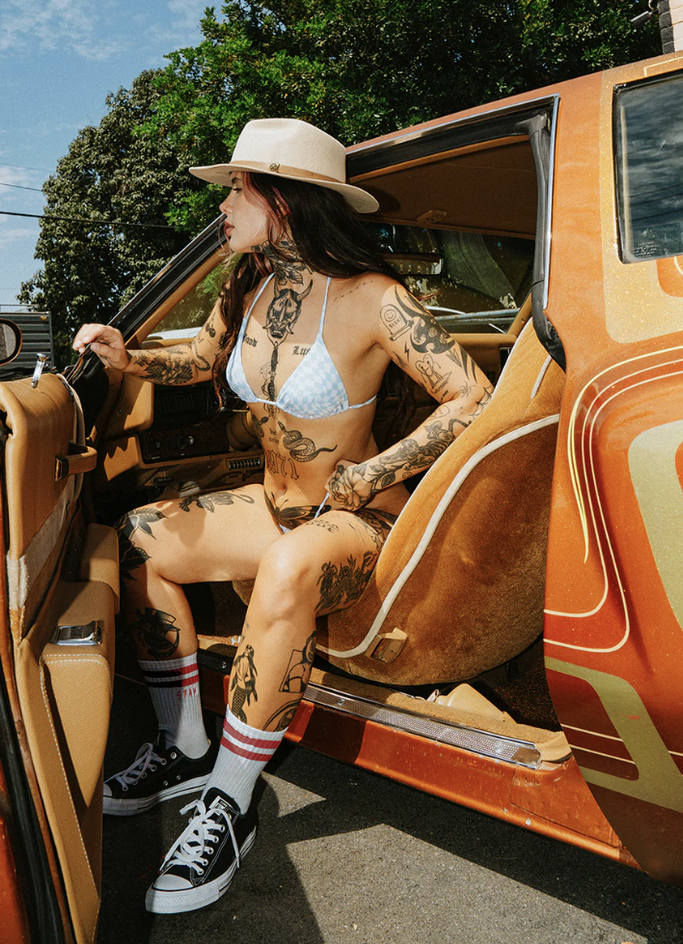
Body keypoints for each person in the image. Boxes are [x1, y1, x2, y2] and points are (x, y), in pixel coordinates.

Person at [73, 117, 493, 914]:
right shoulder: (247, 285)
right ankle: (183, 746)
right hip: (274, 504)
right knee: (136, 541)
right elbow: (201, 359)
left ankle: (229, 803)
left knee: (287, 566)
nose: (223, 205)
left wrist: (374, 471)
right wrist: (128, 358)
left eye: (237, 189)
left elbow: (471, 395)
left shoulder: (374, 298)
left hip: (357, 517)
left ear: (285, 200)